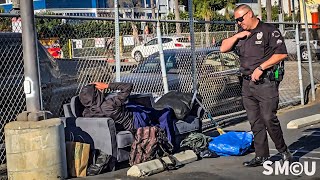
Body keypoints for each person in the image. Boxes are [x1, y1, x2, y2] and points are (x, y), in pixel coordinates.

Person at [220, 4, 292, 167]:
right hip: (246, 84)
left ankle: (283, 151)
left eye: (240, 19)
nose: (239, 22)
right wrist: (238, 36)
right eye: (236, 20)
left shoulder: (268, 30)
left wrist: (261, 68)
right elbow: (223, 48)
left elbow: (281, 53)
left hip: (265, 83)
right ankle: (262, 156)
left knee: (268, 118)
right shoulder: (241, 34)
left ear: (250, 14)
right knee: (255, 121)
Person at [79, 82, 176, 144]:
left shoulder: (87, 113)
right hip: (135, 122)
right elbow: (128, 87)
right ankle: (170, 142)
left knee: (133, 105)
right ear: (96, 95)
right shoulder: (109, 104)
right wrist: (107, 85)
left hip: (124, 126)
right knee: (164, 113)